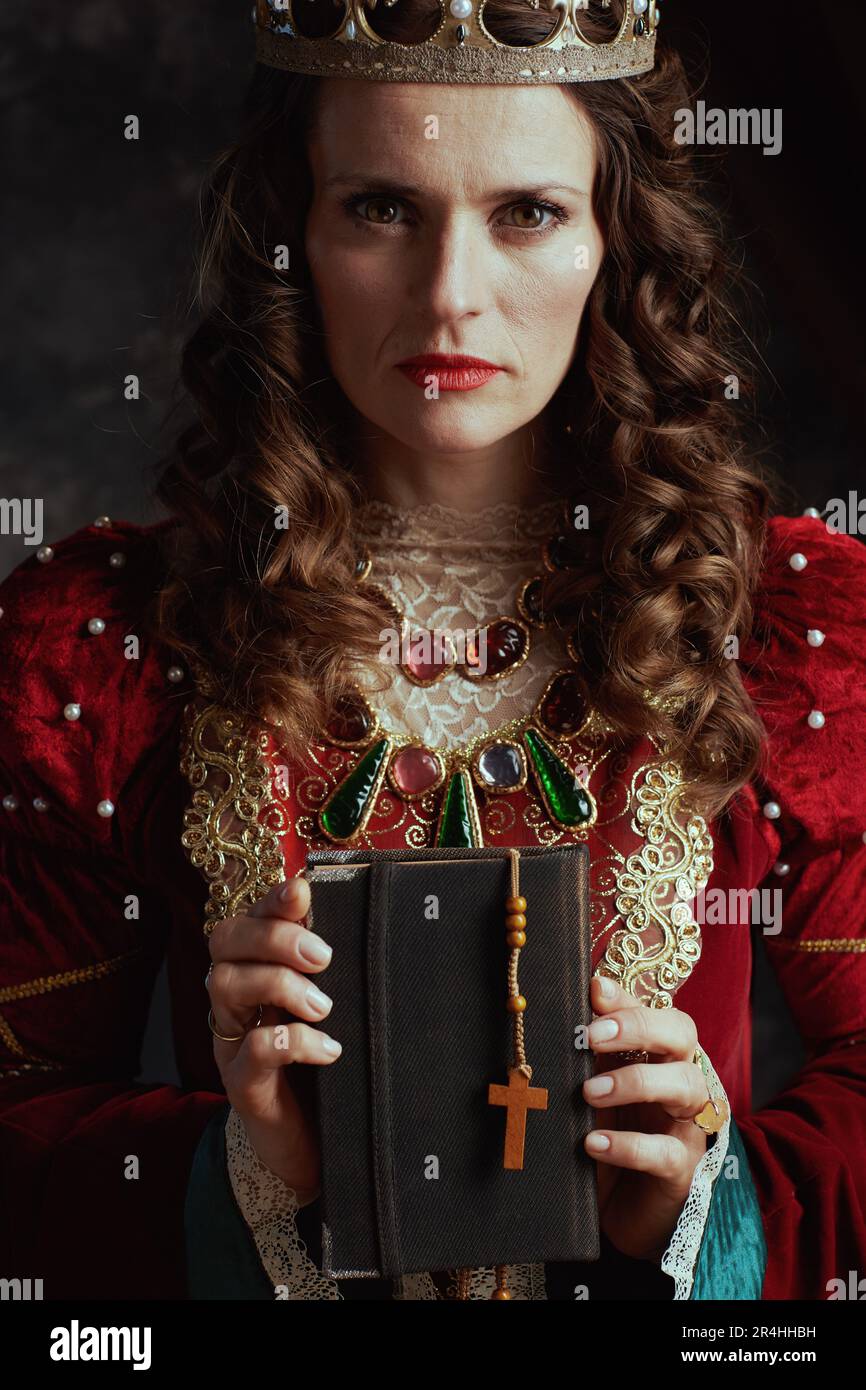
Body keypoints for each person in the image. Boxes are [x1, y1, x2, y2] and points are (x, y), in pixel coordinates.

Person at [1, 0, 865, 1302]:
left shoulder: (799, 625)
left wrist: (705, 1198)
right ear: (292, 230)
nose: (450, 292)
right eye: (382, 209)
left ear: (611, 236)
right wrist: (245, 1173)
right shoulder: (105, 640)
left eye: (525, 210)